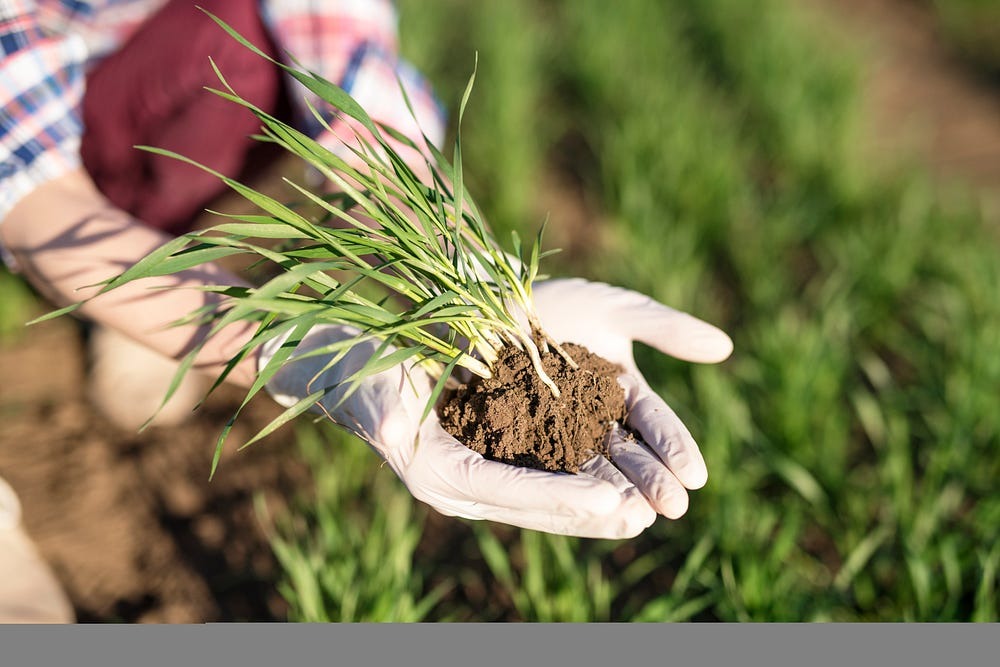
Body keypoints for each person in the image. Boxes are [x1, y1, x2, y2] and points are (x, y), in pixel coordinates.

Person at [0, 0, 733, 622]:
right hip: (30, 122)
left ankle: (154, 284)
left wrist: (459, 264)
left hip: (117, 88)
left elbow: (339, 48)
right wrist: (311, 351)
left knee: (233, 42)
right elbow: (35, 200)